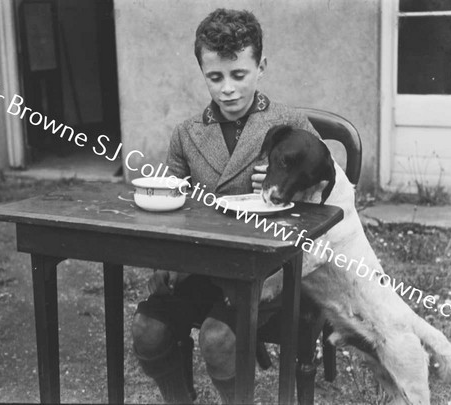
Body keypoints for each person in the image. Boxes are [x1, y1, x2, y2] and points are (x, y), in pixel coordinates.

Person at [131, 8, 319, 404]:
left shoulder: (290, 125)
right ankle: (179, 399)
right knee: (147, 331)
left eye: (239, 75)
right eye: (215, 77)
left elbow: (325, 197)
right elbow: (169, 204)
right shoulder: (187, 134)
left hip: (266, 269)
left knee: (217, 340)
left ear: (261, 67)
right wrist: (162, 261)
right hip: (200, 263)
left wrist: (290, 189)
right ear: (202, 71)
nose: (227, 89)